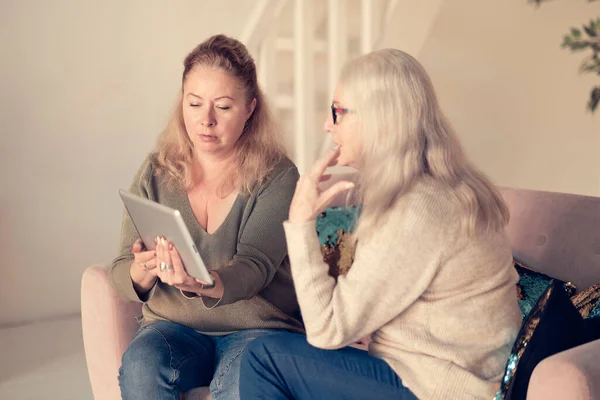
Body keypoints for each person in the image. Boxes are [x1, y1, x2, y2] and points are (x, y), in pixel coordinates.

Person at [239, 48, 523, 400]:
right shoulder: (433, 188)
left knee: (262, 358)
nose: (327, 125)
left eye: (338, 112)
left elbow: (327, 330)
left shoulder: (417, 210)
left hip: (440, 387)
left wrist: (300, 222)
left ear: (379, 119)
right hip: (438, 371)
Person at [109, 34, 304, 400]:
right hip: (174, 328)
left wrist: (199, 282)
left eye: (224, 107)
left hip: (258, 329)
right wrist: (144, 269)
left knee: (241, 384)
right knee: (141, 365)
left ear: (250, 108)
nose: (206, 121)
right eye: (194, 103)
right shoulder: (156, 171)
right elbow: (121, 272)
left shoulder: (278, 176)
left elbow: (253, 268)